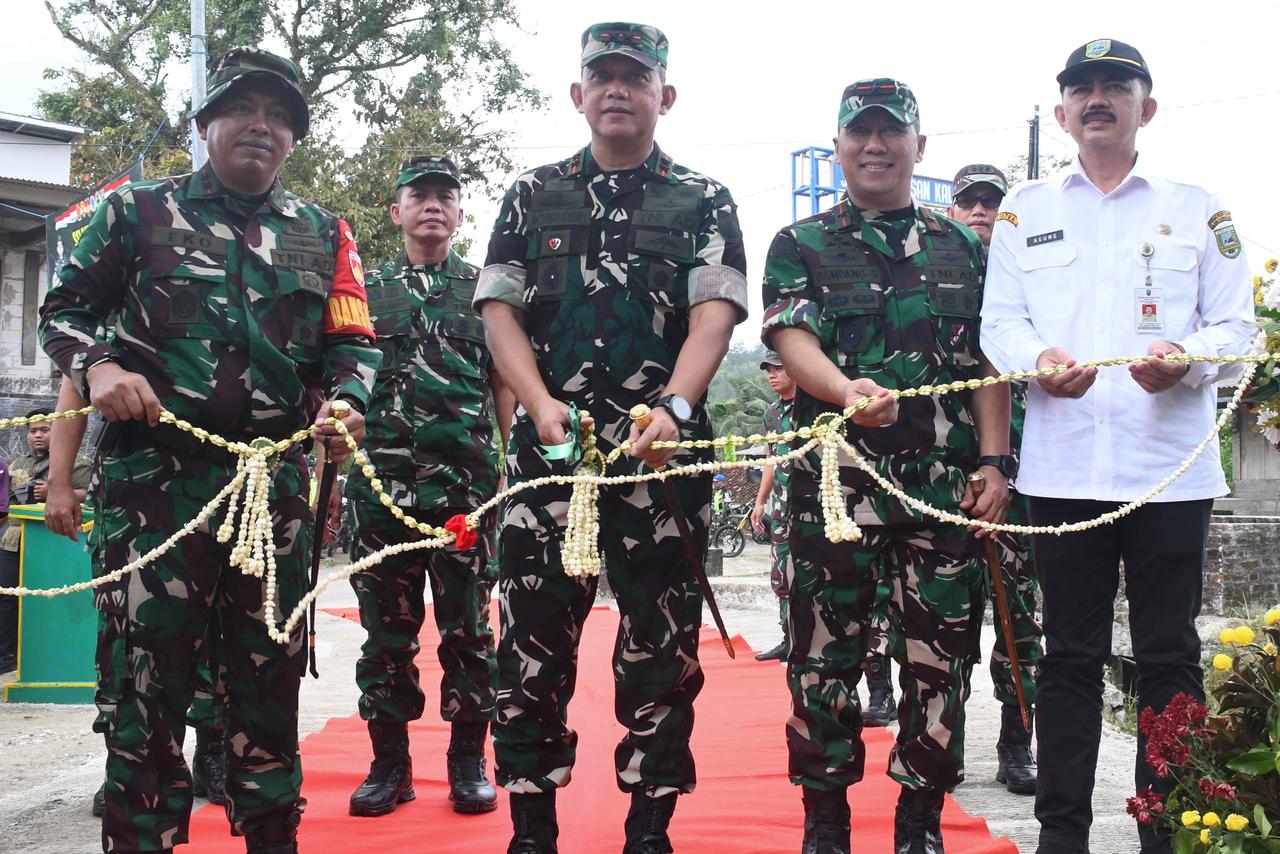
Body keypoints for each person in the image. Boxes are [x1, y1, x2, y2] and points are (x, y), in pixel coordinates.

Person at [39, 46, 379, 854]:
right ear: (206, 124)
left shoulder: (322, 232)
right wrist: (103, 365)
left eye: (279, 116)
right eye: (243, 109)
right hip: (155, 490)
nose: (261, 126)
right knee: (145, 699)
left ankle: (270, 838)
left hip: (273, 501)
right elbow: (62, 311)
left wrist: (347, 401)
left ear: (293, 137)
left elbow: (354, 343)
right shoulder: (137, 214)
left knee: (266, 692)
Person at [476, 21, 748, 853]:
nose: (619, 90)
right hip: (547, 467)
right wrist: (536, 401)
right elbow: (499, 313)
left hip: (659, 466)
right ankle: (531, 829)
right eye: (604, 76)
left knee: (661, 660)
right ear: (578, 94)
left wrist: (677, 407)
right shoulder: (532, 193)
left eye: (636, 77)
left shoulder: (704, 199)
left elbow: (716, 316)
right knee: (528, 652)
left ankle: (649, 829)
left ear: (664, 95)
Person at [981, 39, 1256, 854]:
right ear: (1062, 111)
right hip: (1064, 471)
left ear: (1148, 107)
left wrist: (1186, 361)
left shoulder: (1197, 206)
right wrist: (1038, 363)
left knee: (1170, 657)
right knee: (1067, 656)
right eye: (1082, 90)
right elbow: (1001, 323)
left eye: (1115, 88)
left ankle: (1169, 830)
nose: (1097, 100)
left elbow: (1236, 328)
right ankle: (1062, 835)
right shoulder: (1025, 210)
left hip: (1166, 473)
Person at [762, 78, 1011, 854]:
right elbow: (789, 337)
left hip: (941, 494)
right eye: (860, 133)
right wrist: (842, 390)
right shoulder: (799, 243)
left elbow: (988, 361)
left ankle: (919, 824)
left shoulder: (963, 245)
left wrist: (997, 462)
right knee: (821, 663)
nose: (875, 145)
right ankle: (826, 822)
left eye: (890, 132)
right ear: (839, 146)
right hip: (833, 492)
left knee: (939, 665)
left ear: (918, 146)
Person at [344, 154, 512, 818]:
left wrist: (514, 470)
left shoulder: (484, 290)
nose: (433, 206)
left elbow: (503, 383)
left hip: (465, 491)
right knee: (386, 634)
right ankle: (390, 765)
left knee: (469, 630)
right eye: (420, 196)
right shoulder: (363, 291)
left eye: (446, 196)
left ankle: (468, 761)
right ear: (397, 211)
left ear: (460, 211)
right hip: (379, 491)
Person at [0, 407, 93, 673]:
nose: (38, 436)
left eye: (44, 429)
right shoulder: (18, 464)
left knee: (51, 597)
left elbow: (93, 493)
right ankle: (7, 656)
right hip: (13, 539)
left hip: (52, 540)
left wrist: (57, 491)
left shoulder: (78, 463)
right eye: (32, 431)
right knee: (6, 597)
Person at [751, 351, 796, 663]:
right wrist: (759, 502)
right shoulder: (771, 414)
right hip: (782, 509)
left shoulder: (814, 407)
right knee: (781, 575)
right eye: (768, 369)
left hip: (815, 507)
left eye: (779, 368)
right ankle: (788, 637)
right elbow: (770, 459)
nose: (772, 375)